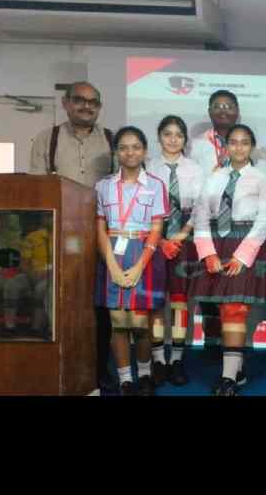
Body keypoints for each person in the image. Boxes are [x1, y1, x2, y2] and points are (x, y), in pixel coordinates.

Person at [29, 80, 115, 391]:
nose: (86, 106)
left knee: (100, 307)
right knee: (57, 302)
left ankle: (99, 368)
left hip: (100, 236)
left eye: (93, 101)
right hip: (58, 236)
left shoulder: (110, 140)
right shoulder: (47, 139)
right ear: (66, 103)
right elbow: (36, 191)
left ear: (99, 106)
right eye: (79, 100)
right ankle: (55, 364)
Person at [189, 124, 266, 395]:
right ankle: (236, 372)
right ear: (226, 146)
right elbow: (201, 213)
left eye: (245, 142)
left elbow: (265, 219)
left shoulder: (261, 178)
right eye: (234, 142)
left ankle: (227, 379)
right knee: (223, 309)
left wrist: (242, 255)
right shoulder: (214, 177)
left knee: (235, 310)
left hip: (245, 241)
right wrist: (208, 252)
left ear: (252, 146)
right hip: (217, 242)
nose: (239, 147)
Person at [94, 126, 169, 396]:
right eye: (124, 147)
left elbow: (157, 229)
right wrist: (112, 265)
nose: (130, 152)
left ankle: (145, 375)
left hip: (144, 253)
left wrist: (139, 265)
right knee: (118, 321)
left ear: (145, 150)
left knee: (139, 323)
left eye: (136, 146)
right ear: (116, 152)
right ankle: (126, 379)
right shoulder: (103, 186)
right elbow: (100, 228)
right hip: (112, 251)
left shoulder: (156, 185)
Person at [145, 115, 207, 387]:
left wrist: (180, 237)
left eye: (178, 135)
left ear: (185, 140)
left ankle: (177, 359)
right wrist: (159, 241)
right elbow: (143, 209)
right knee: (157, 303)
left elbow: (201, 209)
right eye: (167, 134)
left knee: (181, 302)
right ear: (159, 137)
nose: (173, 139)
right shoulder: (147, 169)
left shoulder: (196, 169)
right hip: (153, 242)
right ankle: (158, 359)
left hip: (185, 243)